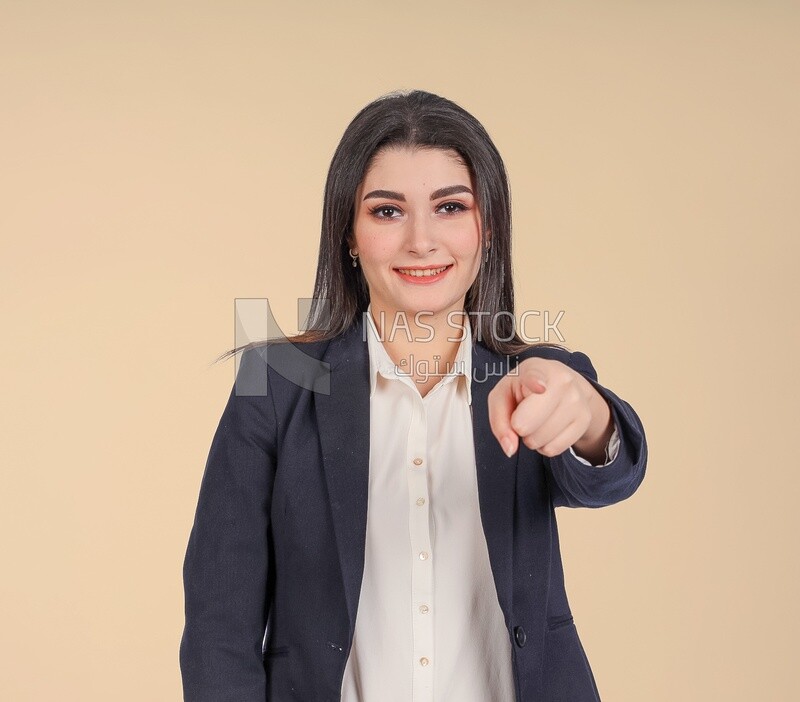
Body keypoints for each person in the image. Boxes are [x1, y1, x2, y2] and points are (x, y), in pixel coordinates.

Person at [179, 89, 647, 702]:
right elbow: (220, 627)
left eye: (451, 207)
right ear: (348, 234)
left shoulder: (536, 380)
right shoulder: (274, 385)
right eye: (387, 211)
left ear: (489, 227)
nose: (421, 241)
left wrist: (589, 414)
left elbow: (610, 471)